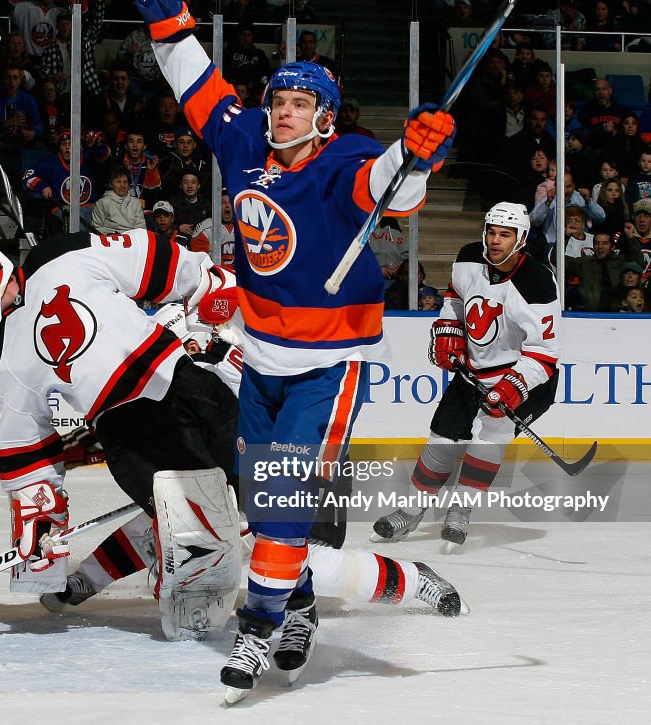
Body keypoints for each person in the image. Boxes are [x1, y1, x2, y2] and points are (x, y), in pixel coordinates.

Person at [134, 0, 455, 701]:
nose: (281, 111)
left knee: (280, 509)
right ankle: (323, 599)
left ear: (326, 117)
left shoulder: (347, 160)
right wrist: (171, 25)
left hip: (327, 368)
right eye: (277, 99)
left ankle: (260, 626)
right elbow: (196, 85)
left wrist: (418, 152)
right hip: (262, 362)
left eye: (299, 102)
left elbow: (390, 186)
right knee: (263, 512)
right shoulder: (246, 140)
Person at [44, 303, 464, 619]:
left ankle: (413, 580)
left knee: (307, 566)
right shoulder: (199, 371)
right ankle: (88, 579)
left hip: (309, 469)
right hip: (255, 469)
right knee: (178, 511)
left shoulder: (218, 368)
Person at [0, 232, 244, 641]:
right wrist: (40, 527)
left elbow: (151, 260)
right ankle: (172, 581)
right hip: (131, 433)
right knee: (199, 523)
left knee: (263, 497)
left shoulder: (58, 254)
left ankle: (313, 565)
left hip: (187, 385)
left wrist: (204, 281)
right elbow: (24, 453)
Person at [373, 203, 560, 549]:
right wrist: (449, 328)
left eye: (505, 234)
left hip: (525, 377)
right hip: (472, 371)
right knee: (442, 438)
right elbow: (456, 296)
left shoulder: (537, 284)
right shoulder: (469, 256)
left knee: (490, 439)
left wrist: (512, 387)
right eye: (491, 231)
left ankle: (461, 509)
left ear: (520, 239)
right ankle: (412, 510)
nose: (495, 240)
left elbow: (545, 354)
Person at [90, 165, 145, 234]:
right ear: (111, 184)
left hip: (132, 240)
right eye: (118, 182)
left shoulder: (136, 202)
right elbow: (96, 227)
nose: (122, 185)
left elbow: (141, 227)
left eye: (125, 182)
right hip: (110, 240)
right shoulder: (102, 203)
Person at [189, 191, 236, 266]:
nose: (227, 205)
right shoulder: (205, 226)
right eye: (223, 202)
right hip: (215, 274)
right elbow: (198, 259)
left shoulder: (245, 227)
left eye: (230, 202)